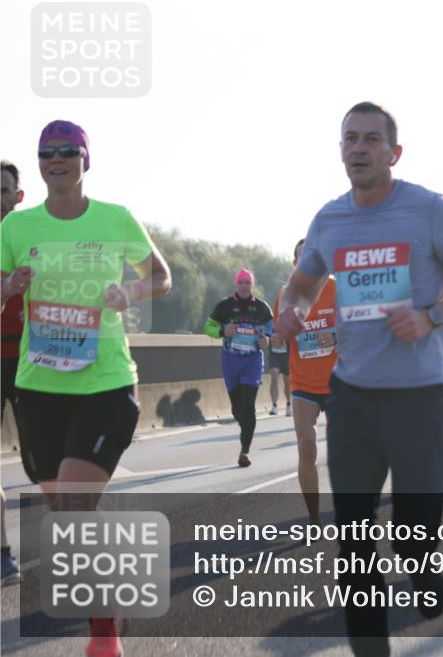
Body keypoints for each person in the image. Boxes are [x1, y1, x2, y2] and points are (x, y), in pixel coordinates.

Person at [273, 101, 443, 656]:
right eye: (350, 139)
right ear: (341, 149)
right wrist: (290, 308)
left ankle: (423, 569)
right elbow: (299, 285)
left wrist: (432, 316)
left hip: (419, 396)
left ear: (394, 153)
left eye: (372, 139)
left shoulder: (427, 210)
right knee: (354, 540)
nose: (360, 148)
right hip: (351, 395)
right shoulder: (329, 219)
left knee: (412, 532)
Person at [1, 120, 172, 655]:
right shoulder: (16, 228)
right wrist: (8, 286)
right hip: (39, 387)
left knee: (74, 502)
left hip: (105, 383)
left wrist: (131, 290)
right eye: (47, 152)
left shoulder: (115, 218)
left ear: (85, 160)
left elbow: (162, 277)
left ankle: (103, 639)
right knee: (68, 517)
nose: (57, 160)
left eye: (68, 152)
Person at [274, 239, 337, 526]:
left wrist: (336, 336)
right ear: (294, 263)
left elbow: (362, 329)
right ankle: (314, 516)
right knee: (306, 446)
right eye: (301, 258)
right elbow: (280, 335)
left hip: (339, 382)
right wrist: (279, 336)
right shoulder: (286, 295)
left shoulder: (338, 290)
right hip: (303, 384)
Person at [204, 269, 273, 467]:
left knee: (248, 404)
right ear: (236, 285)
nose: (244, 285)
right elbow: (208, 327)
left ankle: (244, 452)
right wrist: (222, 330)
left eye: (247, 282)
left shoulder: (261, 307)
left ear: (252, 285)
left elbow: (272, 328)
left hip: (252, 361)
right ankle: (246, 427)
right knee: (237, 408)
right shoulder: (225, 306)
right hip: (230, 360)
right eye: (241, 282)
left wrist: (266, 339)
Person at [0, 159, 26, 585]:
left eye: (4, 190)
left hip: (32, 361)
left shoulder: (35, 238)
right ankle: (3, 553)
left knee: (47, 464)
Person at [267, 286, 291, 416]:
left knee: (287, 382)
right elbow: (266, 333)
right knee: (274, 376)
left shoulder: (292, 317)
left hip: (287, 355)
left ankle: (289, 404)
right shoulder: (272, 319)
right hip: (275, 354)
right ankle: (274, 405)